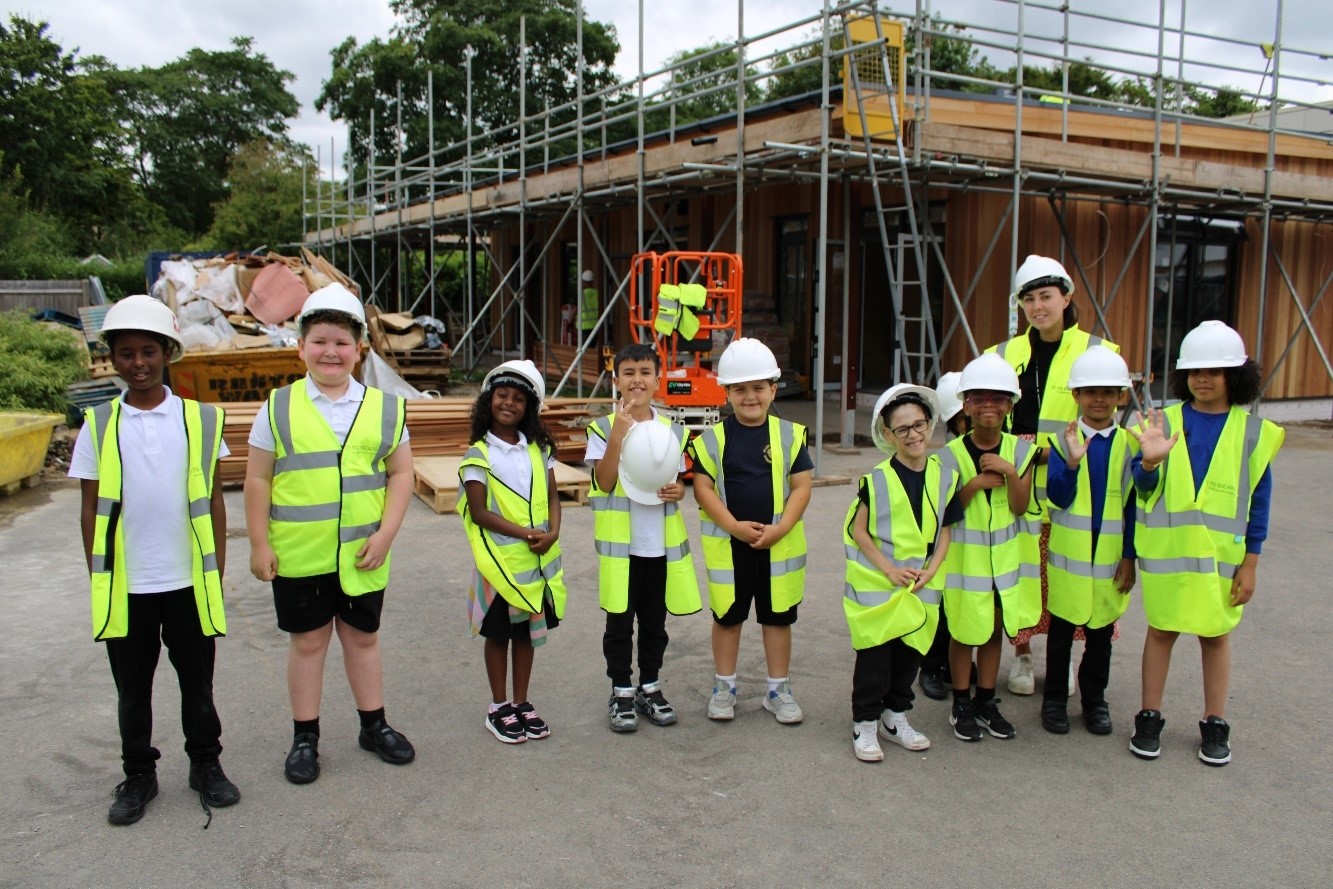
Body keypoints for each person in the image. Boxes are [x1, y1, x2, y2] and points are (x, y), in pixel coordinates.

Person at [70, 294, 239, 826]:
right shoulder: (98, 424)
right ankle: (138, 773)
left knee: (198, 683)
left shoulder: (200, 420)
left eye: (148, 351)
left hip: (187, 579)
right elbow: (90, 505)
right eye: (125, 353)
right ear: (112, 359)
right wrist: (100, 571)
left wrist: (217, 567)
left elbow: (212, 499)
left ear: (168, 352)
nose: (137, 363)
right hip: (127, 584)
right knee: (132, 689)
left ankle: (205, 765)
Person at [245, 283, 415, 784]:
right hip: (300, 557)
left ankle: (373, 726)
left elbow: (401, 473)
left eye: (342, 342)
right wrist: (259, 543)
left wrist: (386, 535)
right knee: (308, 644)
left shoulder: (384, 409)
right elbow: (258, 477)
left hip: (364, 553)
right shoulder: (277, 407)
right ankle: (305, 738)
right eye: (319, 340)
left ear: (360, 348)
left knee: (363, 641)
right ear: (300, 346)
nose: (330, 352)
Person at [1127, 321, 1282, 767]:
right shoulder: (1163, 422)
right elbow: (1143, 487)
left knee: (1215, 637)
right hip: (1167, 558)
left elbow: (1259, 503)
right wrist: (1150, 464)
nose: (1203, 379)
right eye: (1195, 371)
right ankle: (1149, 716)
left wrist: (1251, 563)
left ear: (1236, 375)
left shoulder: (1254, 433)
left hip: (1221, 561)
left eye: (1215, 370)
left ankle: (1215, 723)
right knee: (1161, 632)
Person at [987, 255, 1121, 697]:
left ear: (1067, 296)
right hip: (1018, 476)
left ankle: (1063, 664)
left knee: (1070, 573)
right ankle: (1022, 656)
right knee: (1020, 571)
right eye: (1028, 299)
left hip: (1072, 476)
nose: (1037, 307)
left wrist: (1049, 451)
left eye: (1045, 296)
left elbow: (1108, 419)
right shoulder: (1003, 355)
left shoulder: (1097, 351)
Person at [688, 337, 813, 724]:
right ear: (726, 393)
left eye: (758, 388)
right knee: (728, 617)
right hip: (732, 548)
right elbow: (703, 487)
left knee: (778, 619)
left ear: (773, 389)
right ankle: (724, 687)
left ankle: (778, 690)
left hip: (778, 546)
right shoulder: (712, 439)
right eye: (740, 389)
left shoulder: (790, 435)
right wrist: (733, 527)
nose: (750, 396)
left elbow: (802, 485)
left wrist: (781, 528)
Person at [844, 384, 963, 762]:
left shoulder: (946, 477)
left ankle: (895, 717)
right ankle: (864, 722)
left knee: (910, 654)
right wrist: (889, 569)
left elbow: (946, 530)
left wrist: (933, 569)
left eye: (919, 425)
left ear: (930, 425)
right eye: (903, 429)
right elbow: (858, 530)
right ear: (888, 435)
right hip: (881, 585)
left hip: (921, 585)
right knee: (876, 657)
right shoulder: (876, 479)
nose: (914, 434)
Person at [586, 344, 700, 732]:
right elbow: (602, 481)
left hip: (658, 548)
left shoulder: (672, 429)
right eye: (629, 372)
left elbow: (677, 480)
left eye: (646, 371)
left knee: (654, 621)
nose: (637, 379)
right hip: (622, 550)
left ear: (658, 379)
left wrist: (680, 492)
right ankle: (620, 690)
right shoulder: (602, 428)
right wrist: (619, 434)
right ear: (616, 379)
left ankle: (649, 685)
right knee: (619, 622)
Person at [459, 359, 567, 744]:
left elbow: (554, 495)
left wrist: (553, 531)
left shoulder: (539, 448)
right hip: (499, 566)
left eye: (518, 398)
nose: (509, 403)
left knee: (525, 635)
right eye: (502, 395)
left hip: (533, 566)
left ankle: (522, 702)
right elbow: (479, 511)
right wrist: (526, 533)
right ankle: (498, 706)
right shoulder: (478, 453)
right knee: (499, 634)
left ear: (529, 407)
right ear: (489, 400)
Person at [937, 353, 1040, 742]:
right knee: (964, 633)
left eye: (998, 399)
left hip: (1005, 567)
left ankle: (985, 699)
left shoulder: (1021, 452)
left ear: (1011, 404)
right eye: (979, 399)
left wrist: (1010, 471)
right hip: (966, 565)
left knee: (995, 631)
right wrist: (975, 485)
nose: (989, 407)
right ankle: (961, 701)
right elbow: (944, 512)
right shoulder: (948, 456)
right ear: (965, 404)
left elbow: (1019, 505)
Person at [1041, 346, 1138, 736]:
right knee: (1061, 636)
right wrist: (1072, 464)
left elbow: (1136, 506)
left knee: (1101, 639)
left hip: (1110, 561)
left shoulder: (1131, 445)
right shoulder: (1063, 440)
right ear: (1076, 396)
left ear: (1120, 397)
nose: (1099, 399)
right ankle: (1053, 701)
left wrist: (1129, 556)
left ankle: (1094, 701)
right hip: (1069, 561)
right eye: (1090, 391)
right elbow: (1058, 498)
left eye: (1108, 391)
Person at [918, 370, 970, 701]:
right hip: (946, 545)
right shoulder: (945, 460)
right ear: (952, 422)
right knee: (940, 610)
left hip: (979, 547)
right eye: (965, 417)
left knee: (966, 608)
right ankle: (932, 666)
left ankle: (956, 665)